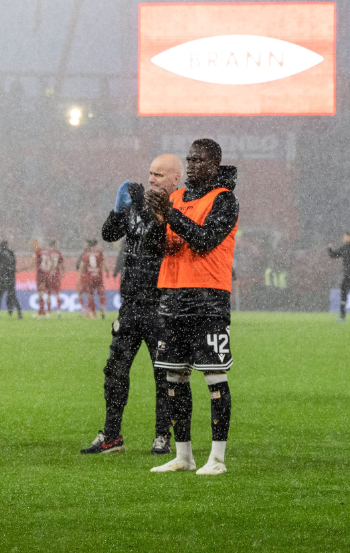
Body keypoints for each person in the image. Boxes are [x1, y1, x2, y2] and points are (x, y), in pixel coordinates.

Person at [147, 139, 240, 476]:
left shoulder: (224, 200)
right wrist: (157, 220)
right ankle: (183, 456)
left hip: (207, 298)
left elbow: (204, 240)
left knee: (215, 378)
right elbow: (156, 248)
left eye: (199, 160)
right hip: (172, 296)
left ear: (214, 164)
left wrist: (170, 214)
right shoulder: (174, 198)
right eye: (190, 160)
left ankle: (216, 458)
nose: (193, 165)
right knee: (173, 377)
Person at [81, 155, 181, 456]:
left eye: (159, 175)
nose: (151, 179)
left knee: (163, 374)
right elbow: (109, 235)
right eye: (150, 173)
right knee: (114, 371)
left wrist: (143, 210)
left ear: (176, 179)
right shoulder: (136, 204)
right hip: (130, 305)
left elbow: (157, 242)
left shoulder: (178, 209)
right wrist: (118, 210)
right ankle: (111, 435)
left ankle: (162, 436)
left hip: (161, 306)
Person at [77, 239, 107, 320]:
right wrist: (107, 271)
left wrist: (78, 279)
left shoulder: (85, 254)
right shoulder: (100, 253)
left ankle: (93, 315)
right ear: (96, 245)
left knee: (90, 296)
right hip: (98, 277)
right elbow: (103, 264)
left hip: (88, 278)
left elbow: (81, 267)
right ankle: (102, 306)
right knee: (102, 294)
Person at [34, 239, 64, 317]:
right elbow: (61, 264)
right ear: (55, 245)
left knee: (48, 294)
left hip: (47, 274)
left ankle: (49, 311)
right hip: (55, 275)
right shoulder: (58, 253)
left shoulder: (47, 252)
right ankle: (58, 311)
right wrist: (63, 273)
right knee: (57, 293)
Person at [0, 240, 21, 319]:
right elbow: (14, 265)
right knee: (12, 295)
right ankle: (19, 312)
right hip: (11, 277)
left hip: (2, 277)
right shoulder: (11, 253)